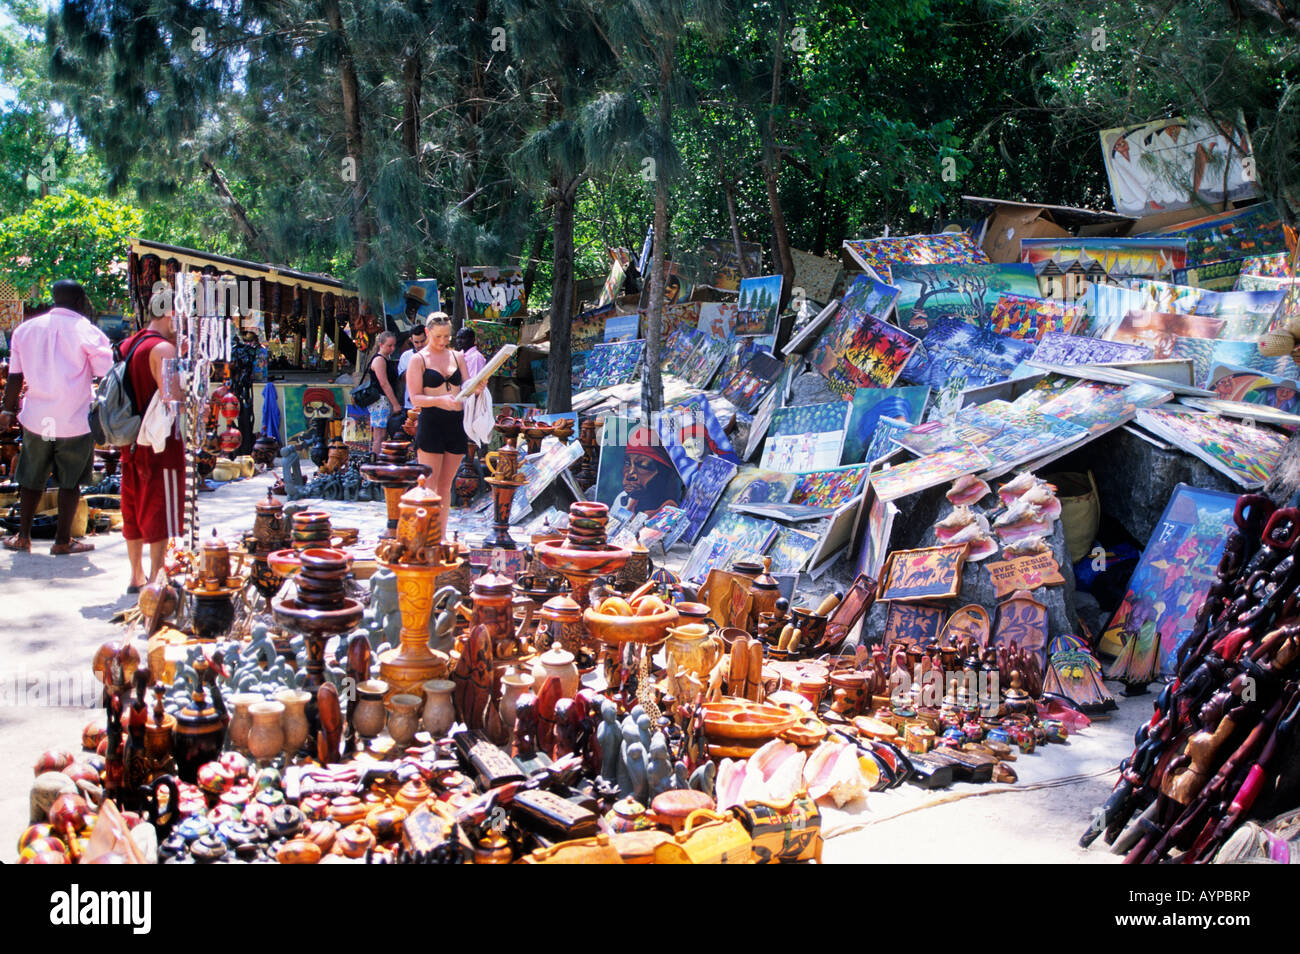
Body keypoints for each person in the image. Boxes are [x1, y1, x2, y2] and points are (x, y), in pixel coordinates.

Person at [1, 280, 113, 554]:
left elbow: (15, 376)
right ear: (79, 301)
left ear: (54, 298)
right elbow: (104, 372)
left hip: (40, 420)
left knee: (31, 477)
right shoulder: (89, 332)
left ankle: (23, 537)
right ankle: (63, 541)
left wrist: (7, 410)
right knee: (70, 482)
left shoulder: (24, 330)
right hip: (73, 420)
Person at [119, 306, 184, 593]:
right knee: (159, 506)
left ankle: (136, 574)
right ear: (170, 314)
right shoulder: (163, 350)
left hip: (130, 439)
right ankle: (158, 576)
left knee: (132, 505)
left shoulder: (128, 344)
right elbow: (172, 399)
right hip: (159, 442)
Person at [407, 314, 483, 534]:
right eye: (438, 336)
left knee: (445, 486)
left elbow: (466, 385)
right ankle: (425, 535)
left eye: (447, 336)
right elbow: (415, 398)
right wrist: (440, 400)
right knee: (429, 485)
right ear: (428, 333)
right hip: (432, 421)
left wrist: (476, 387)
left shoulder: (457, 355)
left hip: (455, 422)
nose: (443, 340)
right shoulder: (418, 359)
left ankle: (439, 536)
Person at [611, 425, 681, 521]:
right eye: (627, 463)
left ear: (668, 473)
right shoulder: (622, 499)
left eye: (643, 466)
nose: (630, 474)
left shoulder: (670, 515)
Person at [366, 331, 402, 456]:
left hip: (384, 401)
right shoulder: (379, 360)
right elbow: (384, 383)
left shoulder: (386, 358)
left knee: (383, 434)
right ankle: (375, 463)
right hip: (380, 401)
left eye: (393, 345)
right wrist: (395, 404)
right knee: (379, 435)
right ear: (381, 345)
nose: (392, 348)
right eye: (389, 346)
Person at [397, 325, 428, 412]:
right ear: (411, 340)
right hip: (411, 405)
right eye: (416, 342)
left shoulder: (434, 355)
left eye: (422, 341)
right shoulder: (406, 356)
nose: (420, 345)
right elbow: (403, 378)